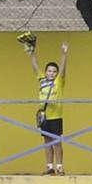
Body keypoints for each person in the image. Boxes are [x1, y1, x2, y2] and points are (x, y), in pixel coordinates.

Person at [29, 40, 70, 174]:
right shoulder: (41, 79)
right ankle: (49, 166)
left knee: (57, 142)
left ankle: (60, 166)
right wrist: (32, 52)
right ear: (45, 72)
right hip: (44, 116)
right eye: (49, 71)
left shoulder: (58, 82)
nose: (51, 73)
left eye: (54, 71)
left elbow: (63, 70)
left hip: (56, 116)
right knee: (47, 142)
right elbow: (35, 66)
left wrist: (64, 54)